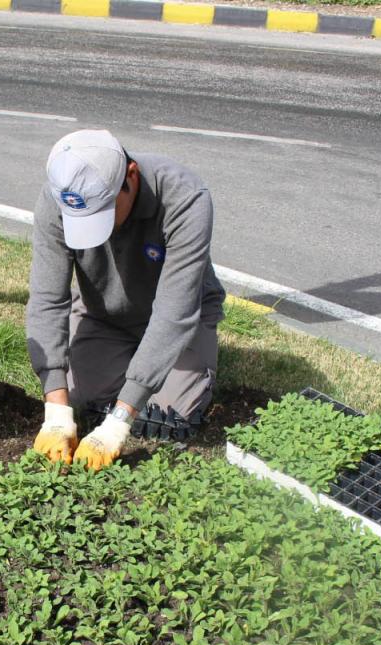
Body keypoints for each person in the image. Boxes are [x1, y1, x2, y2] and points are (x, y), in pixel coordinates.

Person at [26, 128, 226, 471]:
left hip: (180, 323)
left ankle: (190, 369)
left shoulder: (185, 198)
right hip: (105, 315)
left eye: (103, 212)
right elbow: (47, 299)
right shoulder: (58, 197)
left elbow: (174, 314)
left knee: (168, 416)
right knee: (80, 399)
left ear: (130, 177)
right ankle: (117, 375)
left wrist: (119, 422)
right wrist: (56, 412)